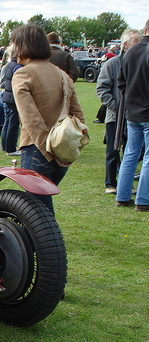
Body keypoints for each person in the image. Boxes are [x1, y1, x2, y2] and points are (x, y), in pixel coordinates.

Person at [11, 24, 85, 216]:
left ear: (22, 46)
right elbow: (78, 117)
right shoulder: (62, 74)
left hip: (38, 149)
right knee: (40, 209)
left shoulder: (23, 73)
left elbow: (30, 119)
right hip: (62, 150)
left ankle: (47, 247)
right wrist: (66, 151)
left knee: (38, 213)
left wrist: (49, 151)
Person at [96, 29, 142, 195]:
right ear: (126, 44)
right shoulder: (112, 64)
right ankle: (110, 183)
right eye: (136, 40)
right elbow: (102, 89)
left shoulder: (139, 63)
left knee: (131, 152)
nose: (140, 44)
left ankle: (126, 184)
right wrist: (116, 106)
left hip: (134, 115)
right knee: (112, 151)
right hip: (115, 116)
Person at [116, 19, 149, 212]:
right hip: (145, 111)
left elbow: (121, 84)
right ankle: (143, 199)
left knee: (130, 153)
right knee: (145, 156)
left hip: (132, 111)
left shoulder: (130, 53)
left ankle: (122, 195)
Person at [0, 47, 21, 155]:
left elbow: (1, 82)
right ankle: (11, 148)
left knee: (7, 123)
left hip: (6, 96)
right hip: (13, 97)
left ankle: (5, 146)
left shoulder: (5, 67)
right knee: (13, 124)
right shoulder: (18, 67)